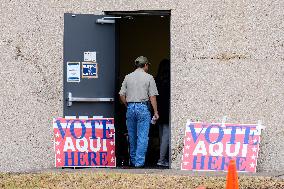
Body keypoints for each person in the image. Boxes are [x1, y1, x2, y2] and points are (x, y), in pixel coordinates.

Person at [119, 56, 159, 168]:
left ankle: (133, 160)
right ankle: (139, 163)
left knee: (132, 136)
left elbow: (121, 95)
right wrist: (155, 111)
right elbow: (152, 97)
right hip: (143, 107)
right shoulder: (149, 78)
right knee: (142, 136)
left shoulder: (127, 77)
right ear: (145, 65)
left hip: (131, 108)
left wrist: (128, 105)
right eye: (148, 65)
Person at [156, 59, 170, 167]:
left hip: (158, 110)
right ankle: (161, 159)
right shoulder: (169, 80)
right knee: (166, 135)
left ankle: (162, 157)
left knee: (161, 136)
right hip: (167, 110)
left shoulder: (156, 80)